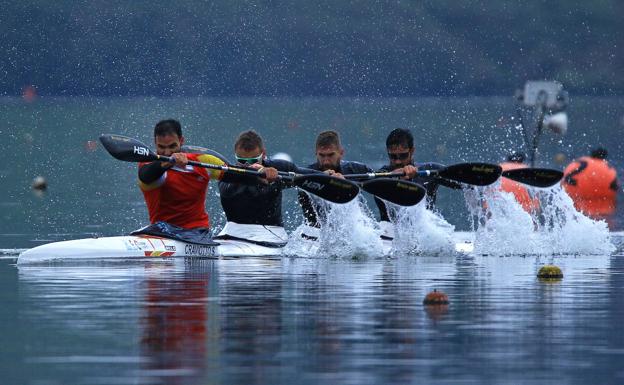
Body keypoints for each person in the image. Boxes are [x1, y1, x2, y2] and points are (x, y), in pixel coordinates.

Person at [137, 119, 229, 230]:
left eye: (172, 146)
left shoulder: (202, 160)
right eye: (161, 147)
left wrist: (253, 169)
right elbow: (145, 177)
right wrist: (169, 162)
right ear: (155, 143)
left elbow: (236, 177)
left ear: (181, 141)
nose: (167, 152)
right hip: (162, 229)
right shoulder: (148, 163)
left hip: (197, 232)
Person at [218, 130, 308, 227]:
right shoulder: (229, 172)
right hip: (233, 230)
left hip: (271, 230)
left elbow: (307, 175)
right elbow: (226, 191)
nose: (247, 165)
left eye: (253, 160)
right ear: (235, 154)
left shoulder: (279, 167)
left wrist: (323, 174)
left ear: (263, 154)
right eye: (241, 161)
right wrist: (257, 178)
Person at [375, 128, 461, 222]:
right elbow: (371, 183)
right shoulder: (381, 174)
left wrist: (479, 194)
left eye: (403, 156)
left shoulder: (430, 170)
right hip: (389, 232)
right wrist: (393, 176)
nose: (398, 161)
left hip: (425, 233)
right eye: (393, 156)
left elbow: (462, 182)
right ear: (387, 152)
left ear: (412, 151)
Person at [297, 130, 376, 227]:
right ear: (316, 153)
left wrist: (396, 173)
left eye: (330, 155)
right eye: (321, 155)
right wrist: (321, 179)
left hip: (353, 230)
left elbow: (382, 180)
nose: (326, 161)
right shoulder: (307, 173)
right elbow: (301, 193)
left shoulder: (356, 169)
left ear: (341, 153)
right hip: (315, 232)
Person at [562, 147, 618, 219]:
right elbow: (615, 187)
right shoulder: (608, 168)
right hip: (604, 208)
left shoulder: (579, 163)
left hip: (576, 206)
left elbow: (565, 179)